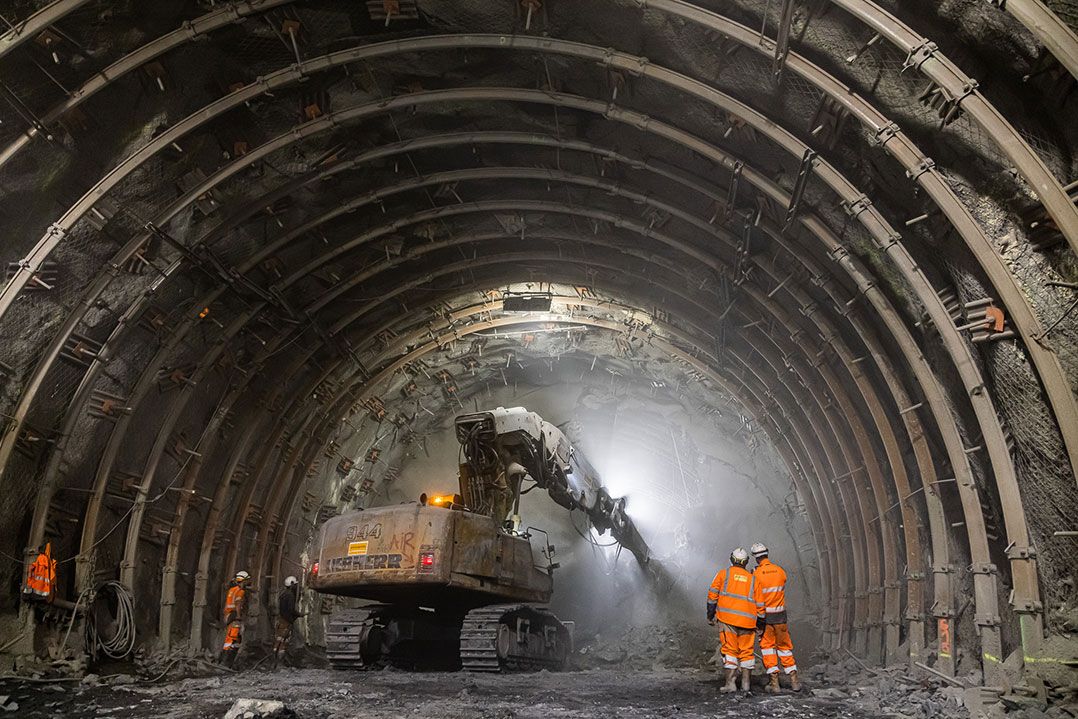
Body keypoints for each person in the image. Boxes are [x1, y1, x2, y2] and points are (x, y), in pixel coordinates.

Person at [751, 542, 801, 692]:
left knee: (768, 649)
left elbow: (755, 597)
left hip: (765, 618)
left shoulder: (756, 575)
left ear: (755, 558)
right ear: (767, 554)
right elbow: (782, 583)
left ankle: (775, 683)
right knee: (785, 647)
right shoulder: (780, 571)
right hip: (780, 617)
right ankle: (794, 680)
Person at [707, 547, 758, 694]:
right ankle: (746, 685)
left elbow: (712, 597)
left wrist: (710, 616)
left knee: (730, 650)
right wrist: (760, 623)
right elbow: (760, 603)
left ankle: (731, 684)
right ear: (746, 562)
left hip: (727, 619)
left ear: (731, 560)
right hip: (748, 621)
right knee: (747, 652)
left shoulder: (723, 575)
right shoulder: (753, 579)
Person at [273, 575, 306, 667]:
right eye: (295, 585)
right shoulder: (290, 595)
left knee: (278, 640)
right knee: (283, 641)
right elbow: (290, 609)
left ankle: (274, 661)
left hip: (281, 620)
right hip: (286, 621)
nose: (296, 587)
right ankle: (279, 662)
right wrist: (299, 614)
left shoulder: (283, 594)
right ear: (291, 585)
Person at [221, 570, 249, 667]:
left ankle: (227, 661)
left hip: (228, 615)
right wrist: (238, 615)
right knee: (232, 638)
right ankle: (226, 662)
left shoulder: (232, 590)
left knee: (234, 639)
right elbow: (238, 603)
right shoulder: (240, 592)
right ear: (243, 581)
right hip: (233, 616)